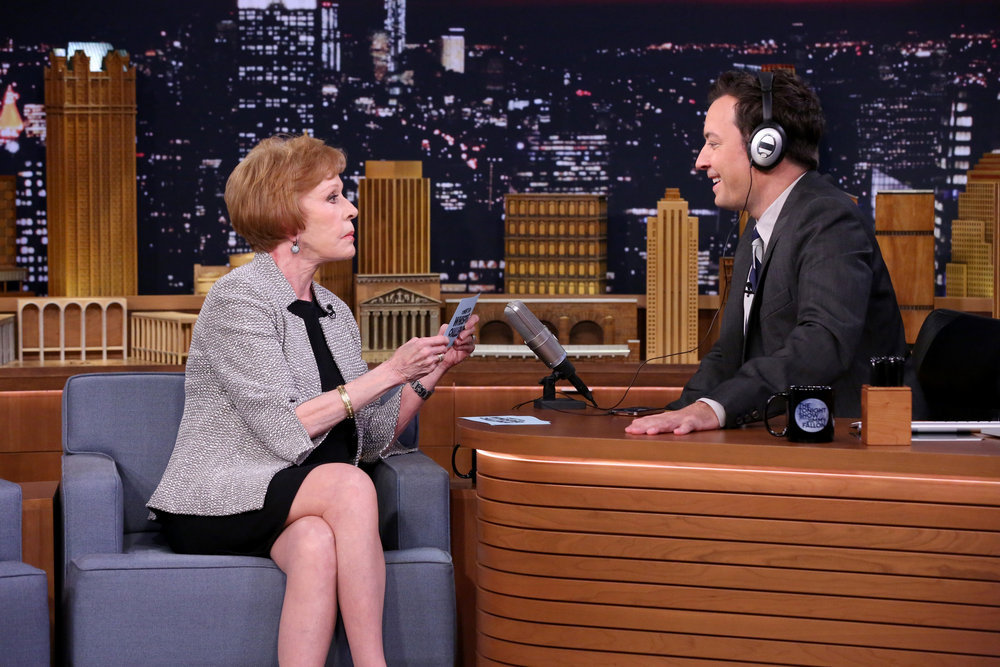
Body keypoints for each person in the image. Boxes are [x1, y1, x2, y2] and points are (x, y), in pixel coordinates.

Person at [147, 133, 477, 666]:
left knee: (316, 546)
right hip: (224, 496)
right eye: (333, 197)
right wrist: (390, 370)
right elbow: (285, 429)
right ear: (288, 219)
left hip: (301, 498)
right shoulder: (238, 299)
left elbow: (370, 439)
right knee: (349, 485)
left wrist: (432, 368)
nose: (351, 209)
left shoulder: (334, 312)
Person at [627, 69, 905, 436]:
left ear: (766, 147)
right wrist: (679, 414)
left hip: (846, 442)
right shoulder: (758, 230)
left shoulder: (828, 218)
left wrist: (717, 409)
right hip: (785, 436)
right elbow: (729, 353)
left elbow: (823, 343)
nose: (700, 161)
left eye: (713, 143)